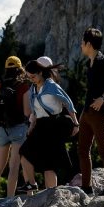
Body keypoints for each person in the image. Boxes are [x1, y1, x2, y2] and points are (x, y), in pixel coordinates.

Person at [19, 58, 80, 189]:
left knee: (49, 165)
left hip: (53, 126)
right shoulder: (34, 89)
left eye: (33, 76)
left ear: (40, 72)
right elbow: (34, 111)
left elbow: (68, 103)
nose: (31, 79)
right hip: (39, 127)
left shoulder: (51, 85)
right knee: (24, 153)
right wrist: (31, 126)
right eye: (29, 77)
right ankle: (31, 184)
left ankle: (51, 195)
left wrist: (76, 123)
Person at [77, 28, 104, 196]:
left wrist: (102, 98)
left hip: (100, 113)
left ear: (88, 44)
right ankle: (86, 187)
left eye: (82, 42)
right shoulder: (90, 62)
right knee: (82, 150)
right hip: (87, 112)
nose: (81, 45)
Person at [0, 56, 31, 198]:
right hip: (18, 128)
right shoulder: (23, 85)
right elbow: (26, 112)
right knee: (14, 167)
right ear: (20, 68)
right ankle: (9, 199)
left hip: (1, 128)